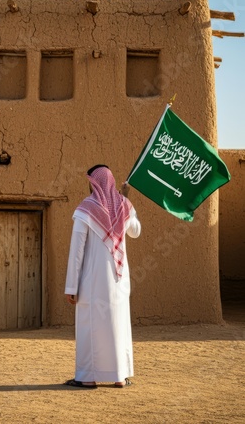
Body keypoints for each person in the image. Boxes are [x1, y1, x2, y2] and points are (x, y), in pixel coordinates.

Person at [64, 165, 141, 389]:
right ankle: (119, 376)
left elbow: (76, 250)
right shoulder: (124, 207)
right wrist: (127, 202)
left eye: (90, 181)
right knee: (117, 325)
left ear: (94, 183)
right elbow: (135, 231)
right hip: (118, 281)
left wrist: (72, 286)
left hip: (92, 282)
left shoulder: (86, 209)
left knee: (91, 327)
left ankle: (87, 378)